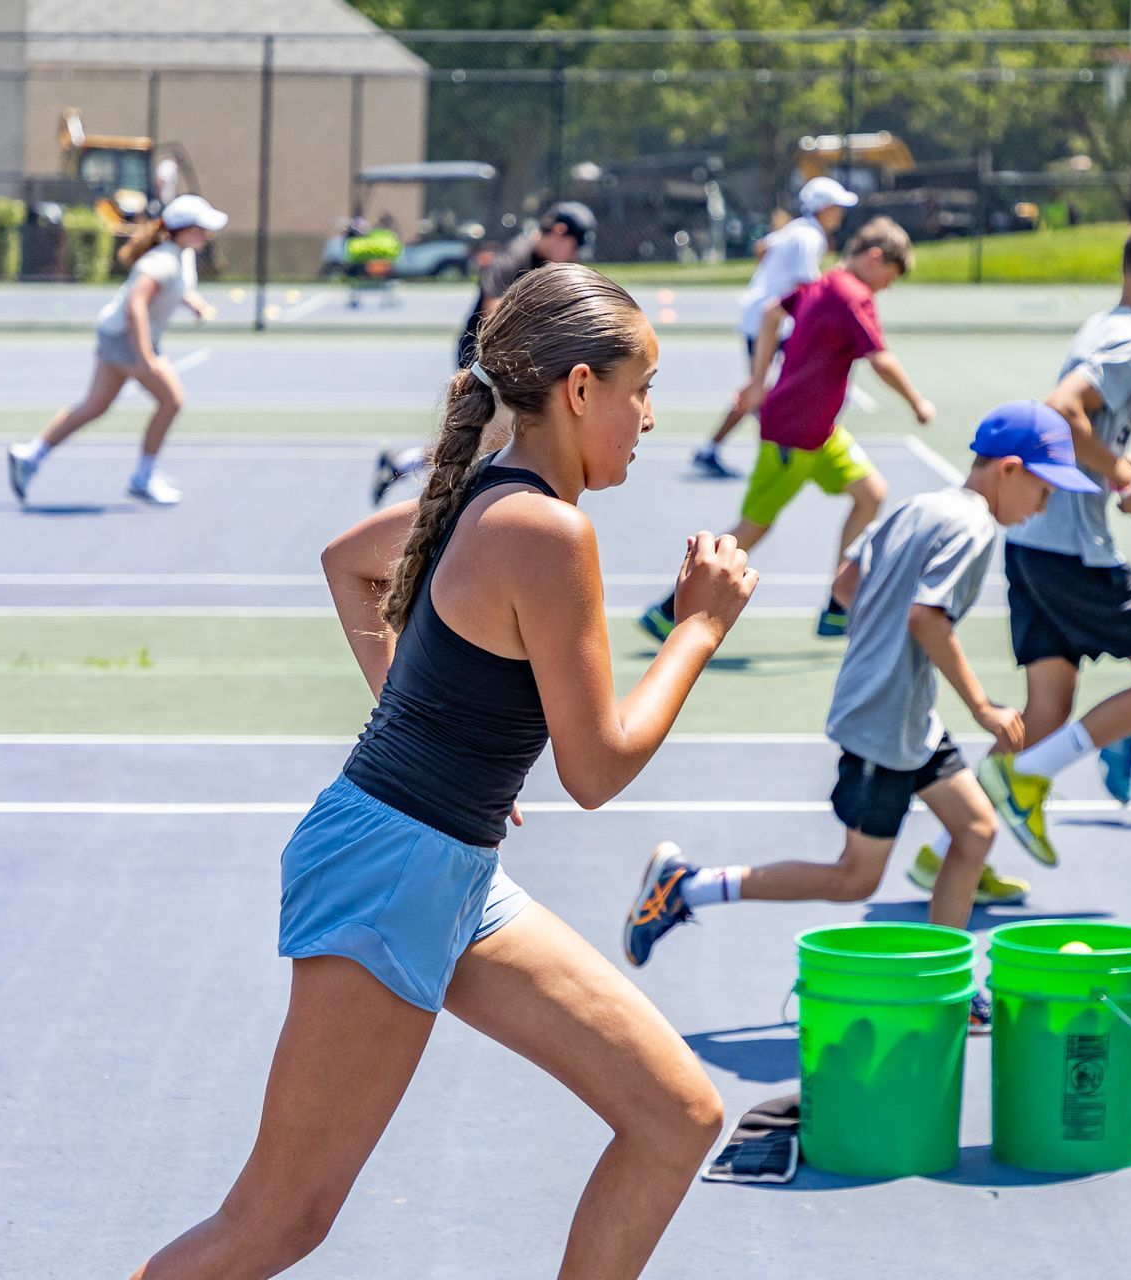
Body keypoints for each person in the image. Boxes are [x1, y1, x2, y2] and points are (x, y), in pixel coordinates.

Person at [133, 264, 758, 1280]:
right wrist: (698, 625)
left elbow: (350, 561)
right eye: (643, 387)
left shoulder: (489, 495)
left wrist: (426, 723)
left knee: (676, 1113)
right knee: (276, 1220)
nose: (651, 415)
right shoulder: (545, 528)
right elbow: (595, 768)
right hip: (391, 872)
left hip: (450, 870)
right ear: (582, 388)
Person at [622, 403, 1102, 1035]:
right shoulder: (978, 527)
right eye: (1044, 488)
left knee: (976, 830)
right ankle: (686, 887)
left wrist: (883, 651)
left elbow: (847, 584)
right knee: (854, 879)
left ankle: (946, 984)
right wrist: (984, 706)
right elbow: (928, 617)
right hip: (885, 724)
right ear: (1009, 471)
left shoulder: (918, 505)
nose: (1043, 506)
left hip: (904, 715)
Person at [970, 213, 1131, 870]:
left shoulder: (1102, 326)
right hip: (1075, 550)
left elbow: (1077, 433)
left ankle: (953, 851)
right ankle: (1027, 781)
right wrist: (1126, 476)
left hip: (1034, 544)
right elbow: (1062, 409)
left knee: (1046, 710)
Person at [638, 216, 935, 643]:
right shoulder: (854, 297)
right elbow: (880, 359)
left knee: (871, 494)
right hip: (792, 434)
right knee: (752, 528)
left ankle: (838, 604)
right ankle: (670, 607)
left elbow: (771, 312)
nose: (888, 286)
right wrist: (917, 402)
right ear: (874, 259)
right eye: (890, 275)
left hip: (821, 432)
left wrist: (759, 380)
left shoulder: (824, 284)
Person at [7, 195, 226, 507]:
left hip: (116, 335)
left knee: (95, 405)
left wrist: (194, 304)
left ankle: (30, 455)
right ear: (185, 230)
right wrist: (146, 356)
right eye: (203, 228)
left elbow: (177, 289)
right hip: (128, 338)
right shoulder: (160, 262)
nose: (208, 234)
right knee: (172, 400)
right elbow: (136, 306)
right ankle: (143, 477)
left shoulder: (181, 256)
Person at [373, 203, 598, 505]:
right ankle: (444, 508)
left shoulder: (548, 265)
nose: (576, 255)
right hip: (485, 364)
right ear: (558, 233)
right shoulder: (515, 258)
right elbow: (493, 317)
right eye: (574, 246)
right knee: (491, 448)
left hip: (512, 367)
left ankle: (404, 464)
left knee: (488, 444)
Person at [689, 176, 859, 480]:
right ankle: (761, 447)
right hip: (769, 322)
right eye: (837, 206)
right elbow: (808, 285)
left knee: (764, 388)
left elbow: (762, 247)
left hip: (764, 318)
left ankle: (718, 448)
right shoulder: (810, 237)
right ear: (823, 208)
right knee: (763, 389)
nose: (841, 213)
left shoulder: (796, 230)